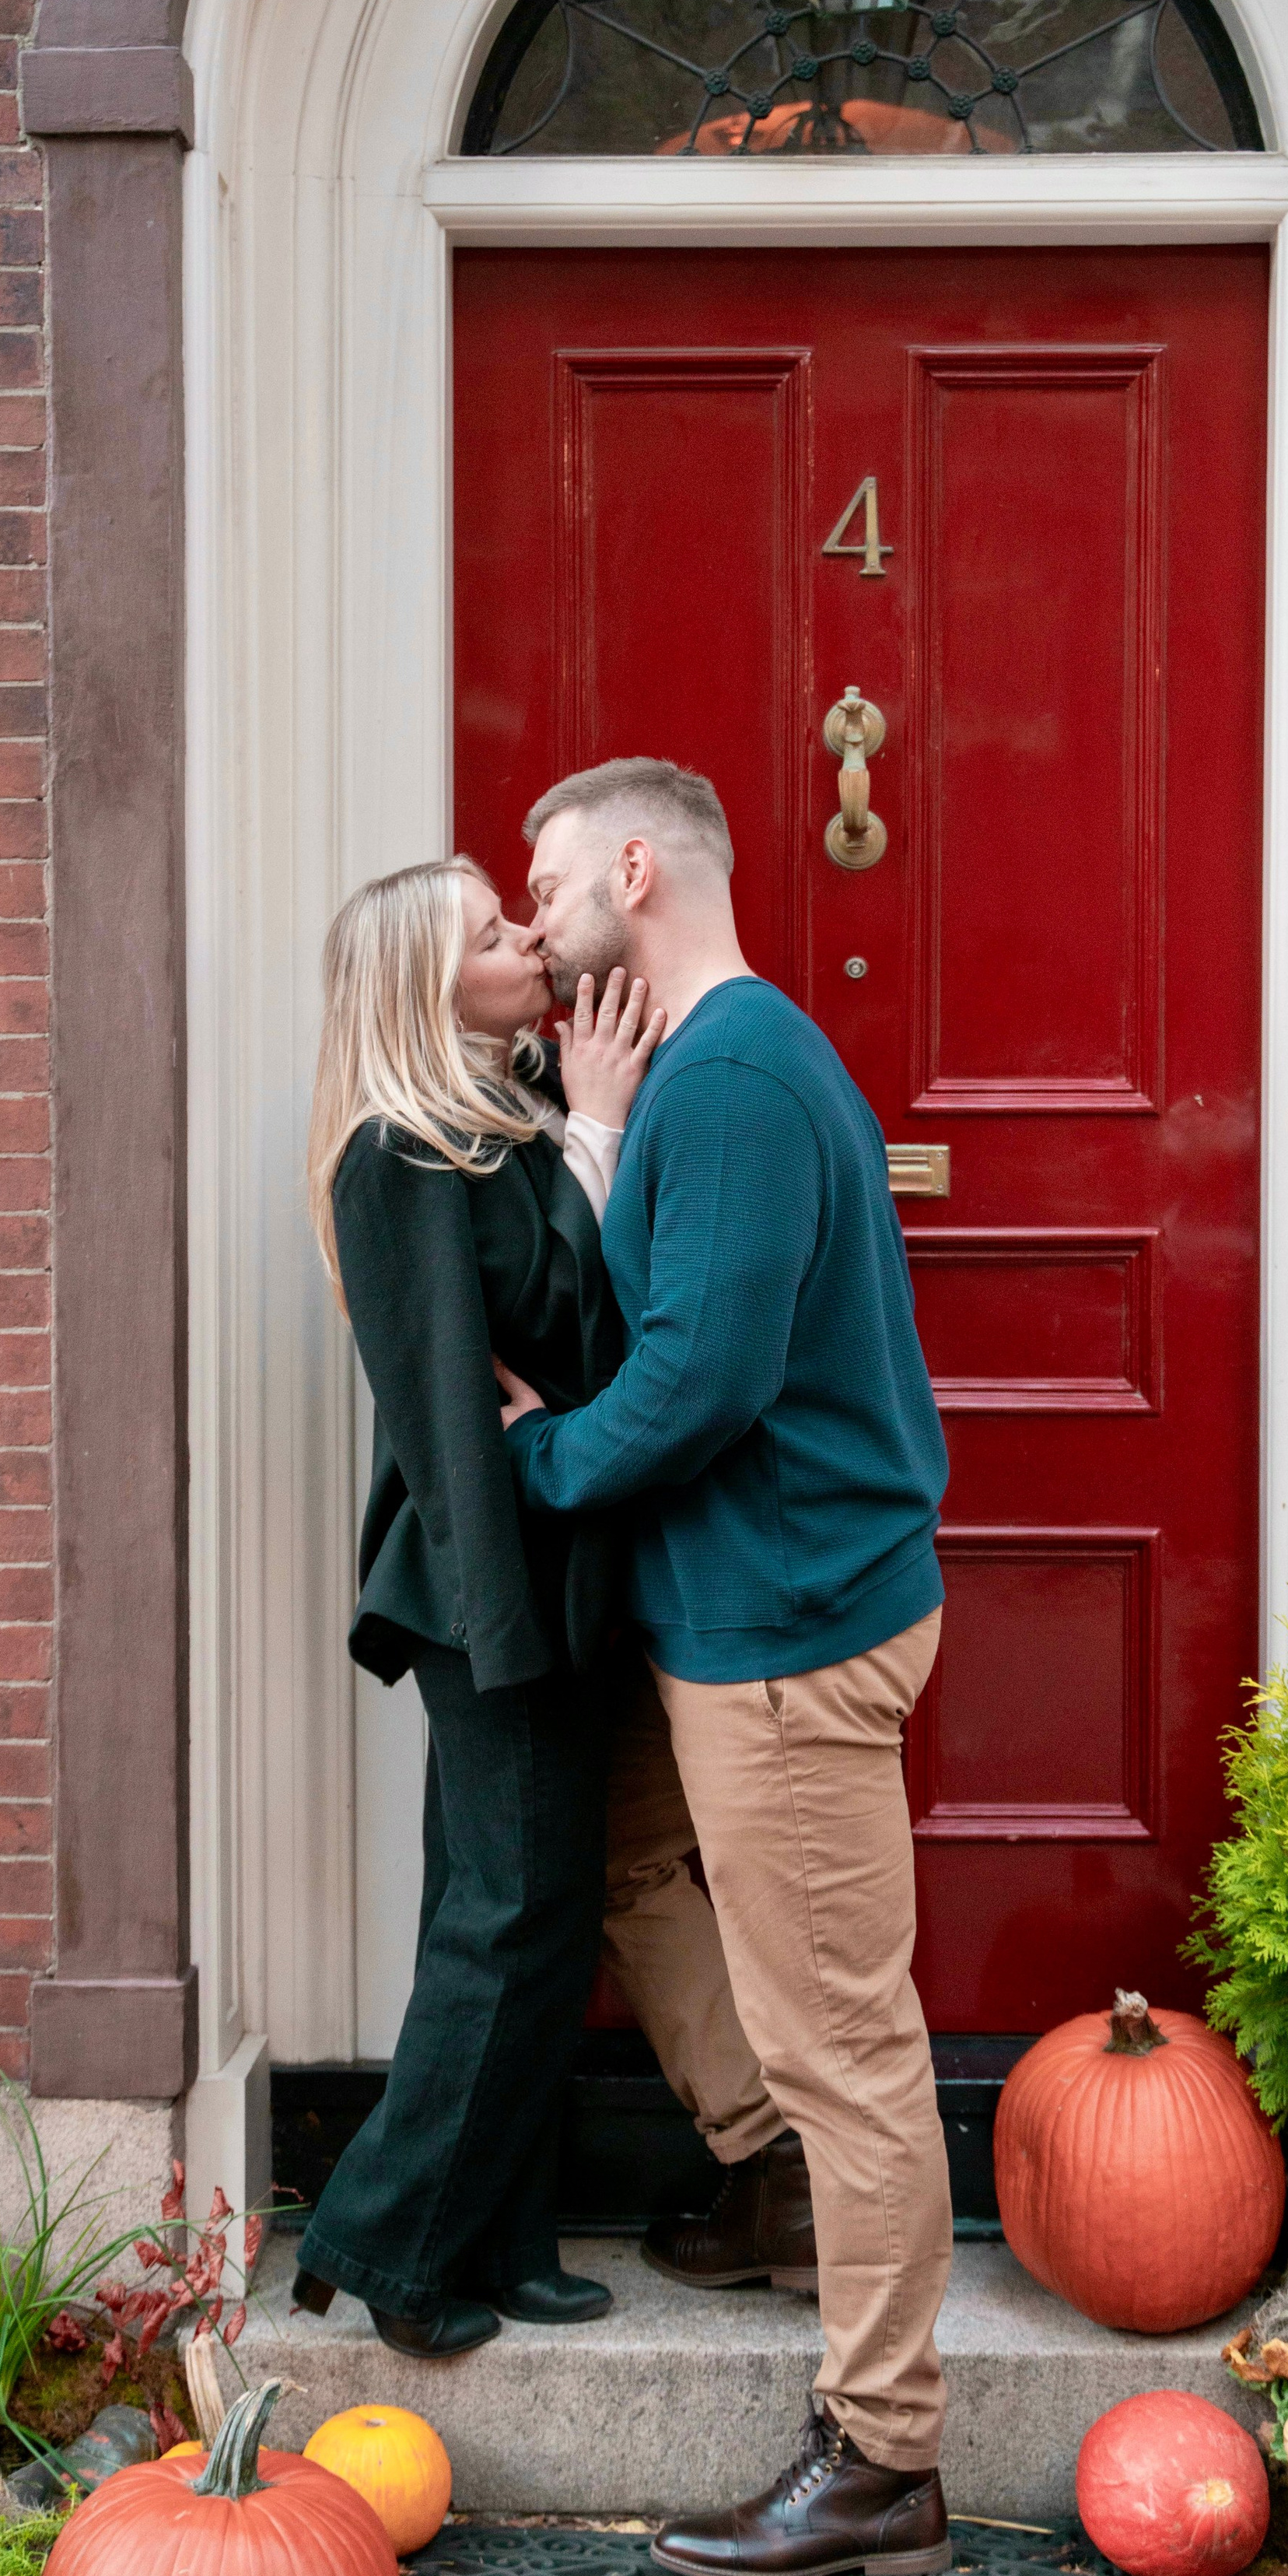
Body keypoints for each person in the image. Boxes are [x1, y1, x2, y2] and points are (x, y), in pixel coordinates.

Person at [495, 758, 956, 2576]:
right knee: (614, 1850)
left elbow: (695, 1380)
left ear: (634, 866)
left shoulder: (748, 1076)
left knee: (852, 2045)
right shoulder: (692, 1071)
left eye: (545, 879)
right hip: (718, 1617)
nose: (531, 918)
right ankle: (762, 2163)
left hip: (784, 1634)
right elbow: (655, 1312)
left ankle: (880, 2456)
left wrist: (532, 1461)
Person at [292, 856, 779, 2353]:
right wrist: (605, 1125)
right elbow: (458, 1414)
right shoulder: (397, 1155)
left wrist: (582, 1125)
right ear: (425, 985)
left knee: (522, 1915)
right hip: (487, 1599)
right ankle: (387, 2244)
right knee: (509, 1924)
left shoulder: (495, 1126)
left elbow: (582, 1324)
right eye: (493, 935)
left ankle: (497, 2238)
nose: (525, 940)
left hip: (555, 1581)